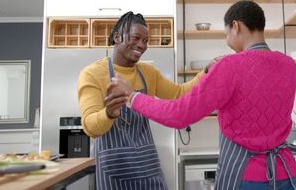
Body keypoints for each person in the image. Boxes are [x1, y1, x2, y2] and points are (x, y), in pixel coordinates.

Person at [110, 1, 296, 190]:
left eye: (226, 34)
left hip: (246, 177)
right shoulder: (289, 65)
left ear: (235, 26)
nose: (227, 41)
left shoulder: (230, 65)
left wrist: (133, 97)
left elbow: (178, 114)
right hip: (288, 175)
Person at [77, 11, 204, 190]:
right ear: (117, 37)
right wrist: (108, 113)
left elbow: (179, 93)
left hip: (147, 166)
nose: (141, 45)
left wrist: (206, 72)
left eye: (145, 41)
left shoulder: (148, 72)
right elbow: (90, 127)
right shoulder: (92, 74)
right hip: (114, 170)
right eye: (136, 38)